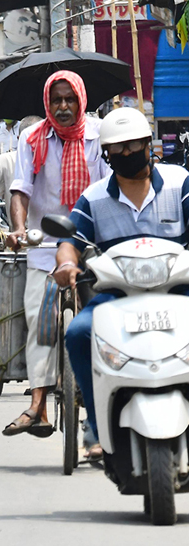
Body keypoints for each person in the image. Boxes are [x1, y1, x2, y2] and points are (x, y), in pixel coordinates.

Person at [54, 108, 186, 460]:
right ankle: (97, 425)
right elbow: (70, 240)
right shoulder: (94, 197)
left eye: (133, 145)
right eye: (118, 149)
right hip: (116, 297)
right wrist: (67, 263)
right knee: (79, 333)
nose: (127, 154)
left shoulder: (179, 182)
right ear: (107, 155)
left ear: (148, 144)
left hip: (178, 291)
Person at [3, 70, 112, 438]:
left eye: (70, 99)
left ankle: (104, 407)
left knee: (105, 323)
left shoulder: (100, 136)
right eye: (56, 100)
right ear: (47, 104)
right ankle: (39, 405)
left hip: (91, 246)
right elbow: (21, 190)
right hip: (44, 247)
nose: (63, 106)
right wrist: (18, 229)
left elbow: (108, 189)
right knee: (40, 323)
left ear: (81, 100)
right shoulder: (32, 138)